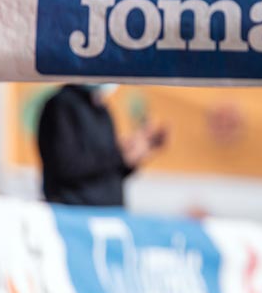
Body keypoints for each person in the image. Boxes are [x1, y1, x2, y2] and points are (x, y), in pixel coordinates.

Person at [36, 83, 168, 207]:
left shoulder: (102, 110)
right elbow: (67, 166)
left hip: (108, 213)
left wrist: (133, 155)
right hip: (75, 211)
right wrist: (118, 156)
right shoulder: (62, 105)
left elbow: (108, 173)